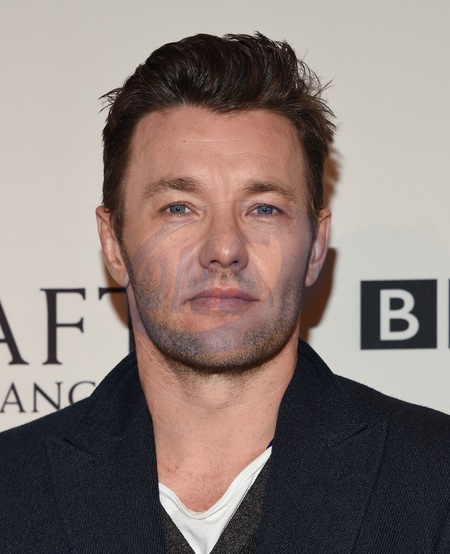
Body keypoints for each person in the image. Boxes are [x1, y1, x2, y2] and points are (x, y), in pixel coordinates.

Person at [1, 33, 449, 554]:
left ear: (315, 246)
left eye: (263, 209)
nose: (224, 248)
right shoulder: (12, 488)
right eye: (178, 208)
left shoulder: (435, 479)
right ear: (113, 243)